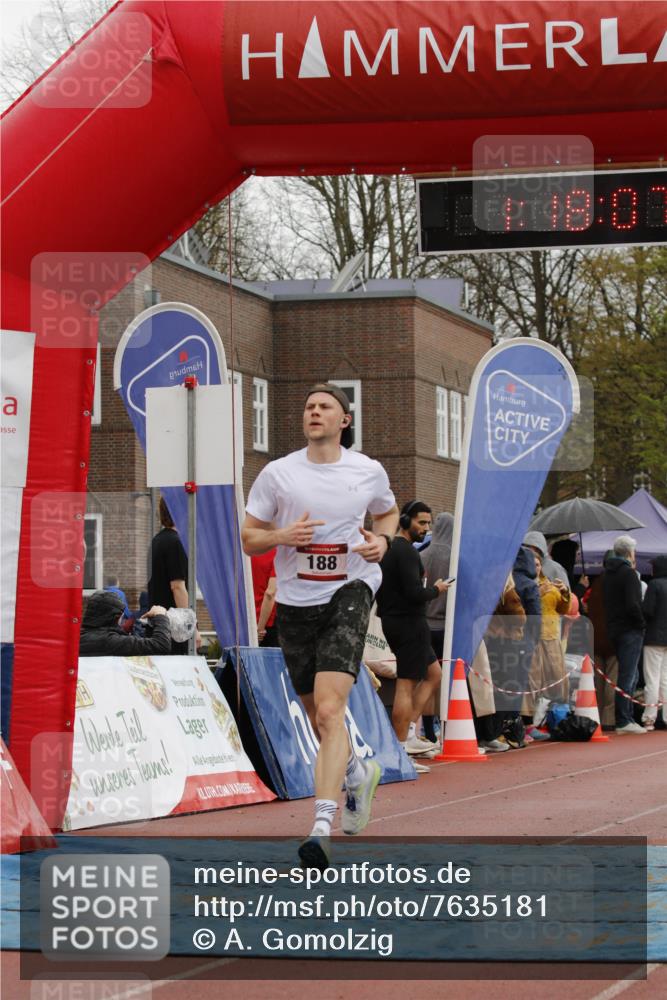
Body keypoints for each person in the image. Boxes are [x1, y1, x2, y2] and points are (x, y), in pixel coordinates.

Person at [241, 382, 398, 870]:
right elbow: (248, 539)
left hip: (350, 590)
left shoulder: (367, 471)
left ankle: (321, 827)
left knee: (331, 709)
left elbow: (388, 512)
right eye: (308, 406)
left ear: (343, 420)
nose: (314, 412)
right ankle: (357, 771)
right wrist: (282, 536)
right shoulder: (278, 474)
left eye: (325, 406)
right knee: (316, 716)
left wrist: (384, 544)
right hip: (295, 600)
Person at [376, 500, 451, 768]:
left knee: (434, 674)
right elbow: (414, 592)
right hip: (408, 622)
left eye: (429, 523)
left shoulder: (392, 549)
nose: (426, 528)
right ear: (405, 521)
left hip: (400, 620)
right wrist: (438, 589)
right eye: (421, 522)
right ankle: (400, 750)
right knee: (406, 683)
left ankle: (408, 733)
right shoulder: (405, 551)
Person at [523, 551, 571, 733]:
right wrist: (537, 592)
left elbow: (563, 608)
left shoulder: (549, 584)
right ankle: (528, 724)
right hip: (533, 637)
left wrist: (565, 593)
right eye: (532, 564)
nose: (536, 567)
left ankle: (557, 719)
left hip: (552, 636)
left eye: (538, 564)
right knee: (533, 681)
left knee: (558, 679)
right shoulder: (523, 584)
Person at [602, 535, 646, 734]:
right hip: (630, 629)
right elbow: (633, 604)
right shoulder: (629, 574)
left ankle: (625, 717)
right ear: (630, 553)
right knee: (628, 675)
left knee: (630, 673)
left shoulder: (608, 574)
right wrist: (641, 624)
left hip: (614, 628)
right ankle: (624, 719)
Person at [148, 497, 200, 654]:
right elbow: (177, 587)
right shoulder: (175, 543)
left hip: (159, 626)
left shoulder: (157, 541)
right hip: (175, 631)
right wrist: (192, 628)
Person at [79, 590, 171, 656]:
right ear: (117, 617)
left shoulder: (76, 639)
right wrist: (161, 616)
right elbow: (160, 645)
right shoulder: (111, 641)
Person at [641, 555, 667, 731]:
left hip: (654, 638)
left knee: (652, 678)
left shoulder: (654, 585)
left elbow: (648, 611)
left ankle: (649, 718)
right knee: (666, 679)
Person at [251, 549, 278, 646]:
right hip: (267, 624)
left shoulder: (247, 554)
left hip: (247, 620)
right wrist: (260, 629)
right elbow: (270, 593)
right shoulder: (278, 554)